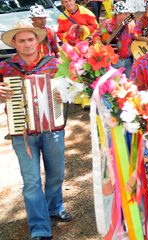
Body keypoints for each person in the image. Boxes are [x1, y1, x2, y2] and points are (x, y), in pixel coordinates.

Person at [0, 20, 72, 240]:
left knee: (56, 174)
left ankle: (54, 206)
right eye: (21, 40)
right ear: (15, 43)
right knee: (31, 181)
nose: (27, 44)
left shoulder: (54, 64)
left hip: (52, 128)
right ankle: (40, 227)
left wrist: (64, 94)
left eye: (30, 39)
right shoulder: (5, 67)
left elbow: (71, 91)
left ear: (37, 40)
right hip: (21, 132)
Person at [93, 1, 135, 78]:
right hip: (113, 61)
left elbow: (136, 38)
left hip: (129, 61)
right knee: (115, 83)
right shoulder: (106, 25)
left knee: (129, 83)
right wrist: (100, 45)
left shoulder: (131, 24)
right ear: (118, 14)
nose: (129, 16)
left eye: (129, 13)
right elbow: (96, 36)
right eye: (126, 14)